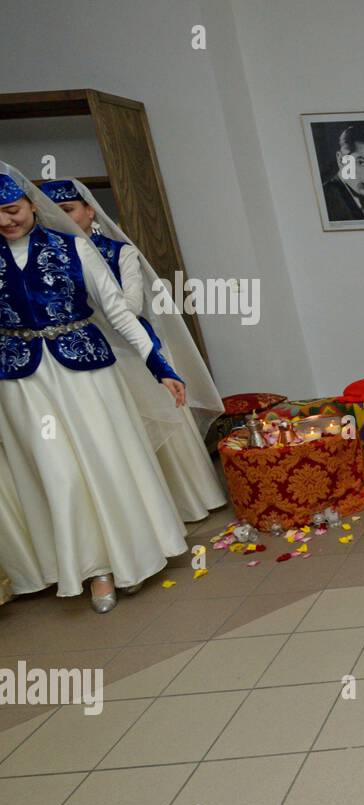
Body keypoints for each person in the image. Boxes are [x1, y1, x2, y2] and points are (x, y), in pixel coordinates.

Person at [0, 161, 190, 612]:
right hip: (22, 380)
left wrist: (160, 365)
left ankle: (130, 555)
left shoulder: (73, 248)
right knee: (56, 471)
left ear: (31, 203)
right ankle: (92, 568)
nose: (6, 221)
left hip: (85, 372)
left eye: (12, 209)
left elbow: (121, 313)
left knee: (105, 460)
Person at [37, 179, 225, 522]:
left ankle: (187, 500)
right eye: (54, 213)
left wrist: (81, 305)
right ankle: (147, 512)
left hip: (133, 348)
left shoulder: (119, 252)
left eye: (68, 210)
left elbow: (130, 305)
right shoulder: (48, 258)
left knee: (160, 423)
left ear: (89, 210)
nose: (61, 219)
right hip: (90, 356)